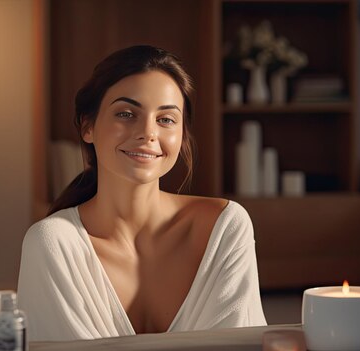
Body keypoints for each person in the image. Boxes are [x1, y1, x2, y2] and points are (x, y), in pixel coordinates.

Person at [17, 45, 267, 342]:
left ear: (182, 134)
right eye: (126, 113)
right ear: (88, 126)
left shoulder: (225, 226)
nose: (148, 133)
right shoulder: (52, 243)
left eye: (166, 119)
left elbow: (241, 346)